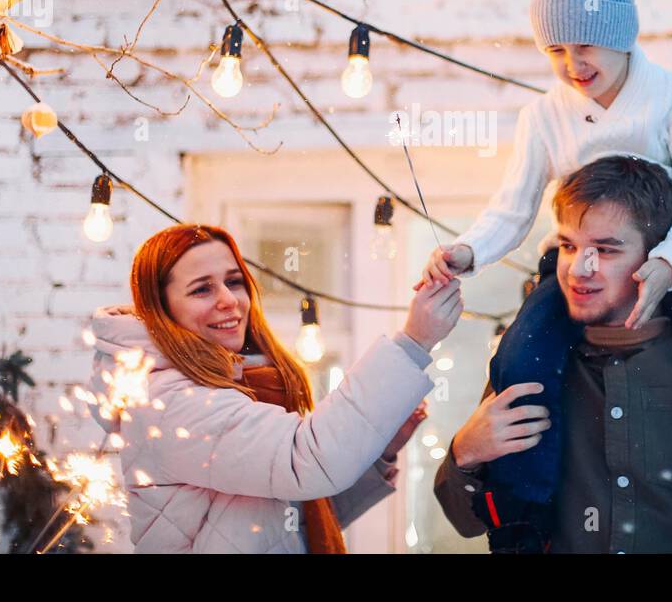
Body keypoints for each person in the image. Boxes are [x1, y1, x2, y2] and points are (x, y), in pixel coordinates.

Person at [417, 0, 672, 551]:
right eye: (555, 49)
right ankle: (525, 504)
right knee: (519, 356)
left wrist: (666, 264)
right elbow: (513, 206)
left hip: (671, 261)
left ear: (622, 35)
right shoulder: (544, 115)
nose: (572, 63)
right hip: (575, 267)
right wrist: (467, 253)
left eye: (584, 45)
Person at [433, 156, 672, 553]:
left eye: (605, 250)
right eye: (570, 246)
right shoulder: (530, 365)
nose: (578, 269)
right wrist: (465, 453)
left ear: (657, 259)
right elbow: (464, 522)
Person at [89, 223, 462, 553]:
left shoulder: (241, 385)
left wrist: (381, 452)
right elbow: (307, 460)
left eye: (234, 281)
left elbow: (291, 523)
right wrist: (414, 342)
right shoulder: (172, 403)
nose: (229, 300)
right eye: (202, 289)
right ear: (162, 310)